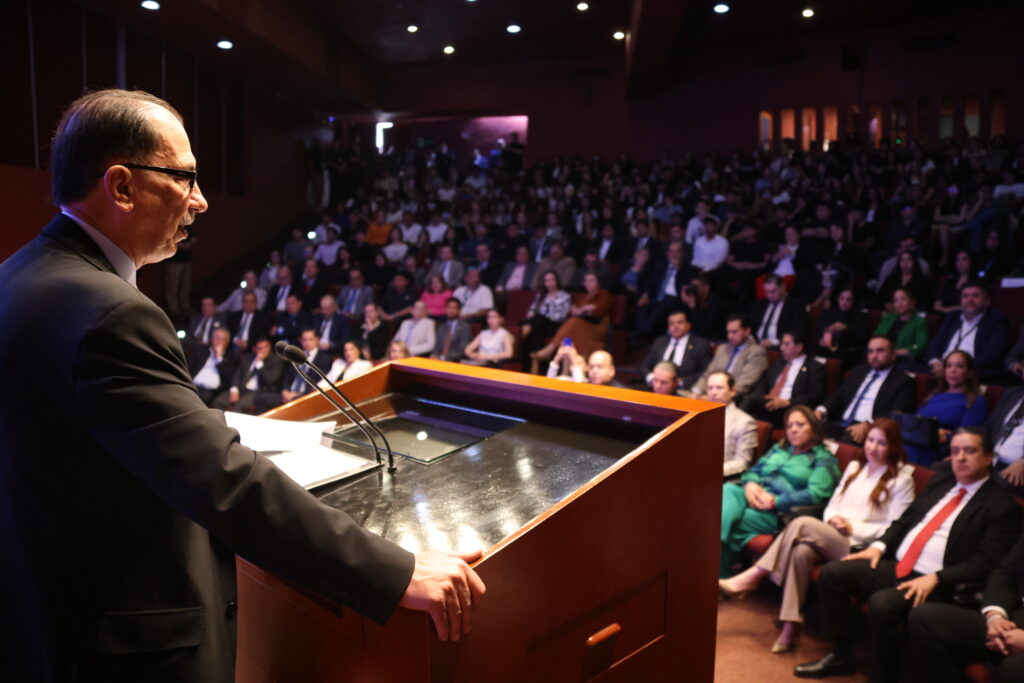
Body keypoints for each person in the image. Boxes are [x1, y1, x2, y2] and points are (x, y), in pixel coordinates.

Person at [0, 91, 484, 680]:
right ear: (121, 186)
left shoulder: (17, 276)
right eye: (183, 177)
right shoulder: (111, 313)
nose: (200, 200)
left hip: (39, 611)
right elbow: (224, 482)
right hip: (113, 645)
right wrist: (397, 571)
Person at [794, 428, 1021, 682]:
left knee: (883, 604)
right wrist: (877, 547)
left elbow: (986, 563)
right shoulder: (941, 483)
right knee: (834, 573)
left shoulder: (1002, 506)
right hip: (900, 565)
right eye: (955, 451)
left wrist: (937, 578)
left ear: (989, 457)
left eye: (970, 451)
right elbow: (904, 521)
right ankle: (841, 655)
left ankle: (884, 678)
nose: (960, 458)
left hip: (939, 582)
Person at [720, 418, 915, 654]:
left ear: (893, 446)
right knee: (800, 552)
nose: (873, 448)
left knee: (802, 523)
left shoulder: (901, 480)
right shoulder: (856, 467)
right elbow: (833, 504)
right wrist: (833, 519)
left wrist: (851, 527)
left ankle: (754, 574)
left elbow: (894, 528)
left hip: (861, 545)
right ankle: (790, 627)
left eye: (881, 443)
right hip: (834, 533)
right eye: (870, 440)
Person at [720, 406, 840, 578]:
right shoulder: (779, 448)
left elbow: (815, 494)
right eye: (789, 426)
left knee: (724, 520)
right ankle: (715, 572)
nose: (793, 430)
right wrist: (750, 484)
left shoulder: (824, 459)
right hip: (752, 497)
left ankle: (713, 568)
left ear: (814, 428)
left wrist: (776, 501)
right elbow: (754, 470)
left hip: (778, 513)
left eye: (800, 425)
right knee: (729, 489)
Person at [908, 532, 1024, 683]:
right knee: (925, 617)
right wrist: (995, 616)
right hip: (1014, 617)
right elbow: (1005, 574)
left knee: (1013, 669)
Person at [816, 336, 917, 445]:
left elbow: (896, 413)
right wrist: (821, 410)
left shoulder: (903, 381)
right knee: (809, 427)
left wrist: (869, 424)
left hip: (869, 429)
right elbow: (839, 396)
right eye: (870, 351)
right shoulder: (858, 371)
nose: (874, 356)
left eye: (880, 351)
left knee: (844, 442)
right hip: (840, 424)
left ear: (893, 355)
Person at [907, 350, 989, 465]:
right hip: (916, 442)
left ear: (970, 372)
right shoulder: (934, 395)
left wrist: (945, 436)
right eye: (948, 366)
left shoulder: (976, 401)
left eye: (959, 366)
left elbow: (968, 436)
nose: (952, 370)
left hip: (940, 450)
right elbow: (916, 421)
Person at [742, 331, 826, 428]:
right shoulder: (779, 363)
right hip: (769, 405)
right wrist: (762, 397)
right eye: (782, 343)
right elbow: (764, 384)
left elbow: (815, 396)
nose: (781, 347)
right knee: (749, 402)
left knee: (750, 402)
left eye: (786, 344)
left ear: (799, 347)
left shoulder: (814, 367)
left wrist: (788, 402)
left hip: (790, 409)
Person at [530, 272, 612, 364]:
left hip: (596, 326)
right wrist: (587, 308)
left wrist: (583, 309)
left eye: (592, 280)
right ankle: (564, 366)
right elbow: (572, 312)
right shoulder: (582, 297)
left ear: (598, 282)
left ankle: (550, 349)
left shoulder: (604, 294)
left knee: (573, 322)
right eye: (586, 281)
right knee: (572, 326)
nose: (588, 283)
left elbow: (598, 311)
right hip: (580, 326)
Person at [689, 314, 769, 399]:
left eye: (734, 332)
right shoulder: (722, 348)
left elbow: (743, 385)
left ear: (747, 331)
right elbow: (708, 374)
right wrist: (696, 392)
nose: (730, 336)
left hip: (736, 399)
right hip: (710, 393)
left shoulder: (757, 352)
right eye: (728, 332)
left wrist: (710, 397)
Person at [640, 309, 713, 391]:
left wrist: (680, 382)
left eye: (680, 322)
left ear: (688, 325)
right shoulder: (660, 342)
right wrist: (654, 379)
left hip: (685, 390)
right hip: (656, 388)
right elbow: (644, 366)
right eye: (672, 323)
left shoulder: (700, 345)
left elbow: (705, 372)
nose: (675, 326)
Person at [705, 371, 758, 478]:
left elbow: (742, 462)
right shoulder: (699, 416)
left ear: (732, 391)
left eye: (719, 388)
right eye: (710, 388)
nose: (713, 392)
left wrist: (709, 471)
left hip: (721, 478)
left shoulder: (745, 422)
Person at [520, 270, 572, 372]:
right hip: (539, 325)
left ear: (557, 280)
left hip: (555, 325)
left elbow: (561, 316)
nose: (549, 283)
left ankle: (523, 333)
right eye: (546, 280)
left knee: (538, 320)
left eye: (552, 280)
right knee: (535, 328)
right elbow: (532, 310)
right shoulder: (541, 295)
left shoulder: (564, 296)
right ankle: (534, 359)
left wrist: (543, 317)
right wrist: (532, 316)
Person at [873, 288, 928, 364]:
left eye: (903, 299)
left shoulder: (920, 322)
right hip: (880, 357)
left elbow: (919, 347)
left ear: (912, 301)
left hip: (902, 360)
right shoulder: (887, 318)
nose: (899, 303)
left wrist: (893, 353)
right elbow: (875, 337)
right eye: (896, 300)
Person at [749, 274, 805, 349]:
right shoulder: (759, 304)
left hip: (779, 347)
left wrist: (775, 342)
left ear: (783, 287)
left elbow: (797, 330)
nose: (770, 295)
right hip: (756, 345)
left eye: (773, 291)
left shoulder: (794, 305)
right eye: (767, 292)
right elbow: (750, 326)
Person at [187, 327, 239, 407]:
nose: (219, 341)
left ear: (227, 342)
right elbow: (188, 368)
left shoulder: (231, 356)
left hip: (211, 391)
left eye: (223, 339)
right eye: (217, 338)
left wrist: (219, 358)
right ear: (212, 339)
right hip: (193, 385)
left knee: (201, 398)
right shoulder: (201, 350)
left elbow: (229, 378)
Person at [279, 328, 334, 403]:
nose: (307, 342)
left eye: (310, 339)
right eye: (304, 340)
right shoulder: (295, 355)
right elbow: (287, 377)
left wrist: (296, 395)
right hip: (288, 394)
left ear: (317, 340)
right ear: (300, 340)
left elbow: (320, 383)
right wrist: (285, 391)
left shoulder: (324, 358)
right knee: (264, 398)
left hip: (307, 396)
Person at [433, 298, 473, 363]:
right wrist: (434, 355)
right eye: (448, 307)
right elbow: (437, 346)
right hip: (438, 361)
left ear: (459, 310)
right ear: (445, 309)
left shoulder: (465, 327)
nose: (451, 311)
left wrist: (443, 357)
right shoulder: (441, 326)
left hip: (455, 361)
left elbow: (463, 350)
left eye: (454, 308)